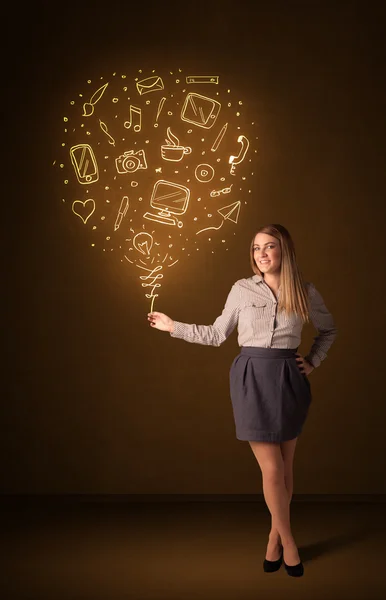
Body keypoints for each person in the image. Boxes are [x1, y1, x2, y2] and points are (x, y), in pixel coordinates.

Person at [147, 223, 337, 578]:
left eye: (269, 247)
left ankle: (272, 539)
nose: (261, 254)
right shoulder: (241, 289)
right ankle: (289, 541)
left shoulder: (305, 291)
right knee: (272, 469)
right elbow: (218, 334)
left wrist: (312, 361)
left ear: (285, 251)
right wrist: (174, 327)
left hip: (288, 378)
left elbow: (329, 329)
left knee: (286, 467)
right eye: (255, 248)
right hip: (251, 376)